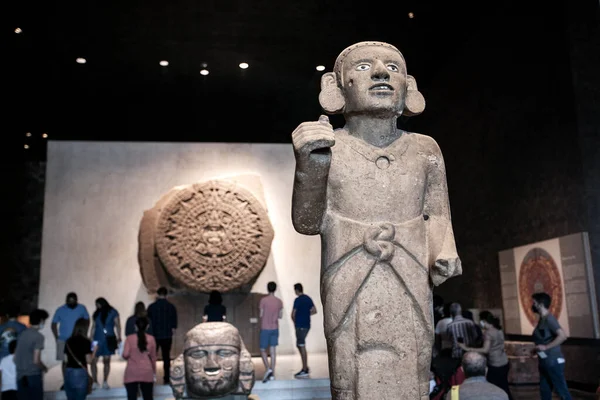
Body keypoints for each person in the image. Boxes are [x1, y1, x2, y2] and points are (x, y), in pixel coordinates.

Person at [291, 41, 462, 398]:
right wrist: (310, 166)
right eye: (365, 67)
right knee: (349, 365)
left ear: (408, 88)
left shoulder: (425, 149)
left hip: (410, 270)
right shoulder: (330, 147)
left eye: (393, 67)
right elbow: (308, 222)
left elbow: (438, 210)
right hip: (347, 272)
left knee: (413, 357)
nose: (382, 72)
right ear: (336, 89)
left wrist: (444, 249)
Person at [458, 311, 513, 400]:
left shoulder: (488, 333)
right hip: (504, 361)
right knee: (504, 386)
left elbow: (485, 350)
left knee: (493, 387)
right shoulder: (499, 329)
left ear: (483, 320)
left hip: (495, 363)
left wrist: (467, 348)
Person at [530, 292, 572, 400]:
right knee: (545, 391)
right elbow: (544, 339)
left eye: (534, 302)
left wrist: (546, 347)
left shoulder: (549, 319)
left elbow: (562, 336)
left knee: (561, 391)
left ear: (540, 304)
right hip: (545, 361)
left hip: (553, 361)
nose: (532, 305)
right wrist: (537, 349)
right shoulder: (542, 319)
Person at [51, 292, 90, 389]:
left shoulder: (82, 308)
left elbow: (87, 320)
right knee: (65, 362)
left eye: (73, 301)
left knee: (81, 360)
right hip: (64, 339)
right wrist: (56, 337)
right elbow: (53, 324)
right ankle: (66, 382)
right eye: (69, 301)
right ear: (66, 300)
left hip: (78, 339)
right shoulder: (60, 310)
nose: (71, 302)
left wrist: (84, 332)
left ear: (77, 300)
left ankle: (83, 381)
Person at [15, 308, 49, 400]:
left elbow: (16, 356)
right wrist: (44, 368)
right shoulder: (38, 337)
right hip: (33, 376)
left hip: (20, 376)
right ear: (41, 320)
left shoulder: (22, 334)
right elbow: (36, 360)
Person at [147, 286, 177, 384]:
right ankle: (167, 378)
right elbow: (174, 323)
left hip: (154, 335)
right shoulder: (171, 307)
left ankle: (150, 376)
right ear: (166, 294)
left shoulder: (152, 307)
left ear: (158, 294)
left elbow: (148, 321)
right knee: (166, 357)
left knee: (151, 356)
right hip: (167, 335)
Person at [90, 297, 121, 390]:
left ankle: (105, 381)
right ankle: (95, 381)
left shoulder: (113, 312)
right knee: (92, 361)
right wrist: (90, 338)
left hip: (109, 339)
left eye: (98, 304)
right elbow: (94, 326)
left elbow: (118, 325)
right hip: (96, 339)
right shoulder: (96, 314)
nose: (97, 306)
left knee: (107, 361)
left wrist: (119, 336)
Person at [123, 317, 156, 400]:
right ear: (147, 327)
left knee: (131, 397)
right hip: (147, 372)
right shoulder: (151, 339)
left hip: (132, 372)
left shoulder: (129, 338)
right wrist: (154, 373)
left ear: (135, 326)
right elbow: (153, 357)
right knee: (148, 397)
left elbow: (125, 354)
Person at [64, 318, 94, 400]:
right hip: (80, 372)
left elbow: (65, 360)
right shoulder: (86, 342)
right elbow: (89, 360)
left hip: (68, 372)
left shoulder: (68, 341)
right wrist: (94, 351)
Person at [259, 281, 283, 382]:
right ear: (275, 289)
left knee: (262, 349)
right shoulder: (279, 301)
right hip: (275, 328)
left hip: (265, 328)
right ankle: (272, 372)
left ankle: (267, 368)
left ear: (267, 288)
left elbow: (261, 314)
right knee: (273, 351)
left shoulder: (263, 300)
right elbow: (280, 316)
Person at [291, 283, 316, 379]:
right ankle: (305, 366)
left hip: (300, 326)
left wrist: (296, 323)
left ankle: (304, 369)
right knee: (299, 345)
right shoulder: (308, 298)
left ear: (297, 290)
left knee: (301, 346)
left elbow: (293, 314)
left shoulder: (297, 300)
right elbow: (314, 310)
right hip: (307, 325)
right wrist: (306, 314)